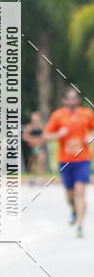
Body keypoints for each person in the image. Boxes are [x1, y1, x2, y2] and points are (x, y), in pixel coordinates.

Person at [43, 87, 94, 238]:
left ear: (78, 100)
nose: (72, 101)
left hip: (82, 160)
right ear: (64, 100)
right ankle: (73, 210)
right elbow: (46, 135)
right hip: (65, 161)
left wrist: (90, 137)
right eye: (69, 98)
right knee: (70, 196)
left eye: (74, 98)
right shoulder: (58, 116)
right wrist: (59, 134)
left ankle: (79, 225)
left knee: (80, 192)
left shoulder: (87, 114)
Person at [21, 111, 48, 186]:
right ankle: (31, 177)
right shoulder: (29, 127)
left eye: (37, 119)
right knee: (32, 162)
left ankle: (40, 178)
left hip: (40, 146)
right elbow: (24, 137)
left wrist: (41, 140)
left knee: (41, 161)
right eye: (34, 119)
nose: (35, 120)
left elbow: (46, 136)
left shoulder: (42, 126)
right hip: (32, 147)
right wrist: (33, 140)